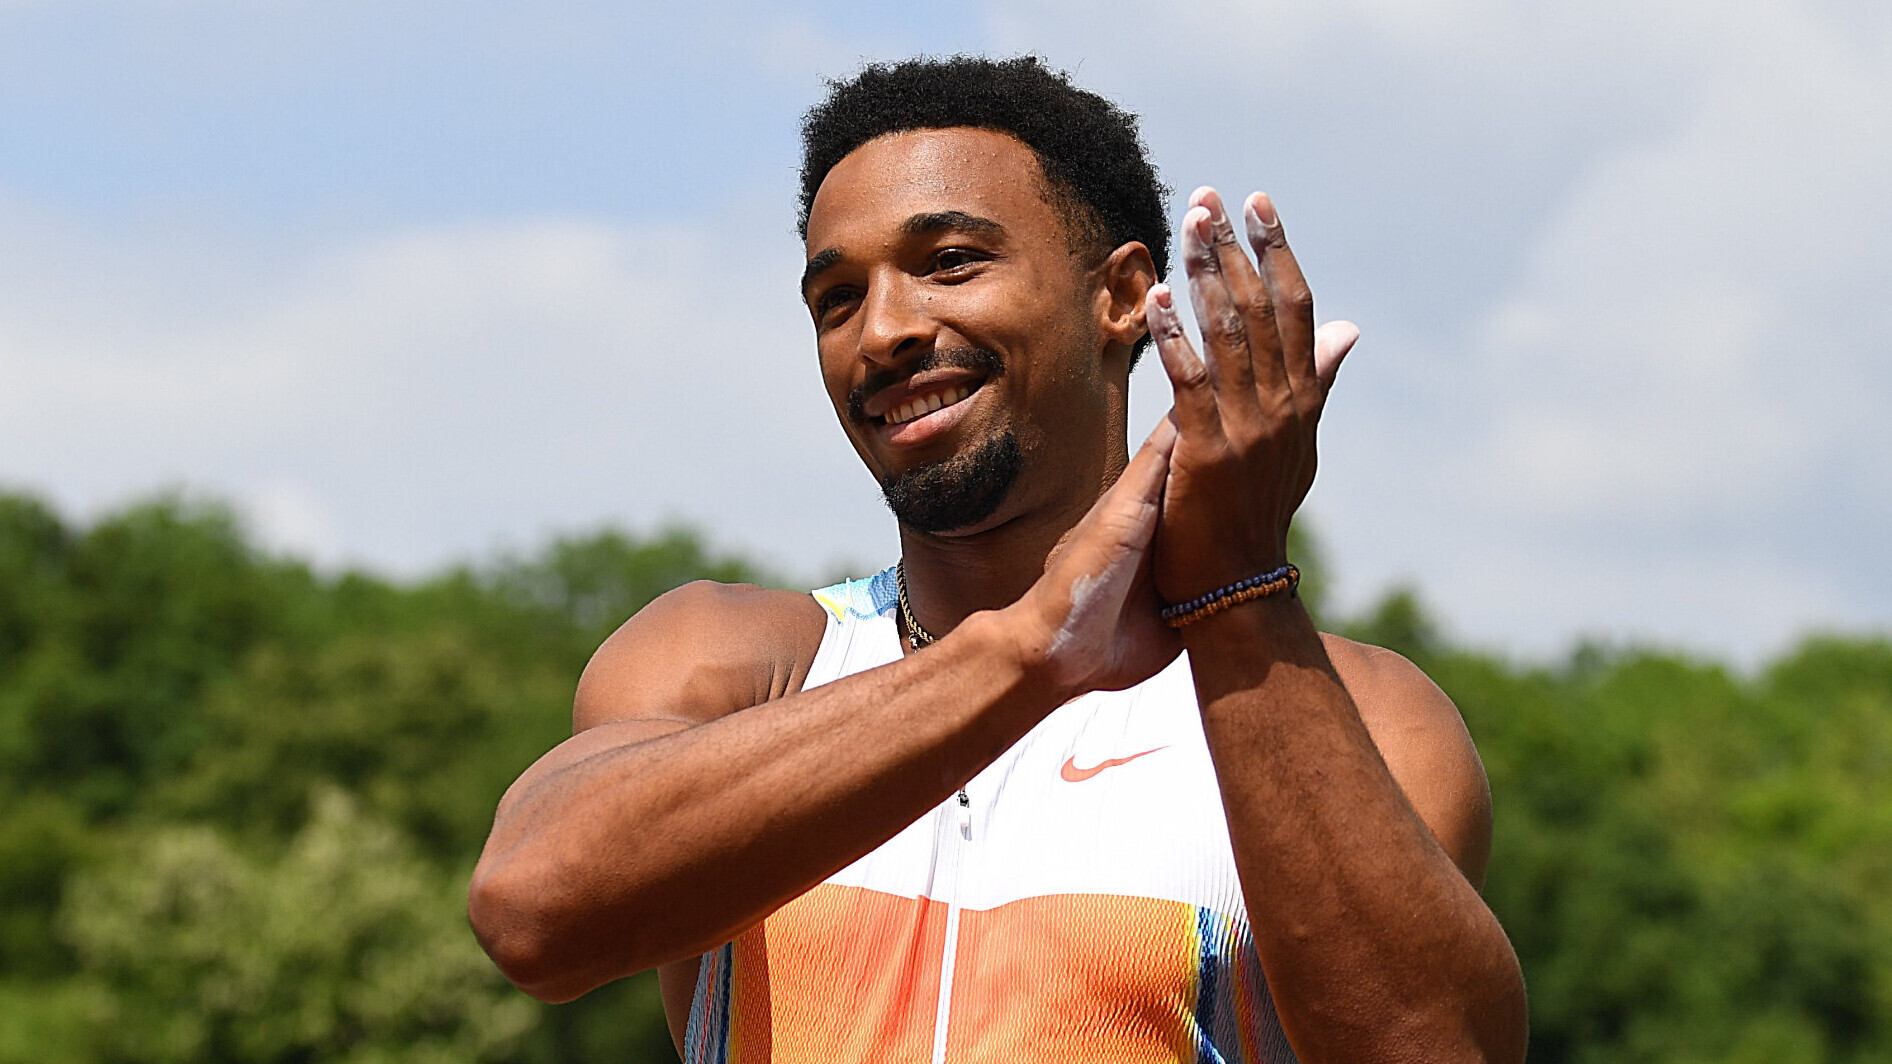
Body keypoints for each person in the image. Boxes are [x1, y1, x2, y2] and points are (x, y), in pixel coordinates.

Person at [469, 56, 1528, 1063]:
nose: (881, 329)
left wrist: (1238, 601)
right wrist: (1028, 650)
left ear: (1120, 297)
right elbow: (530, 910)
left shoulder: (1356, 708)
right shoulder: (735, 659)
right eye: (835, 297)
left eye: (948, 263)